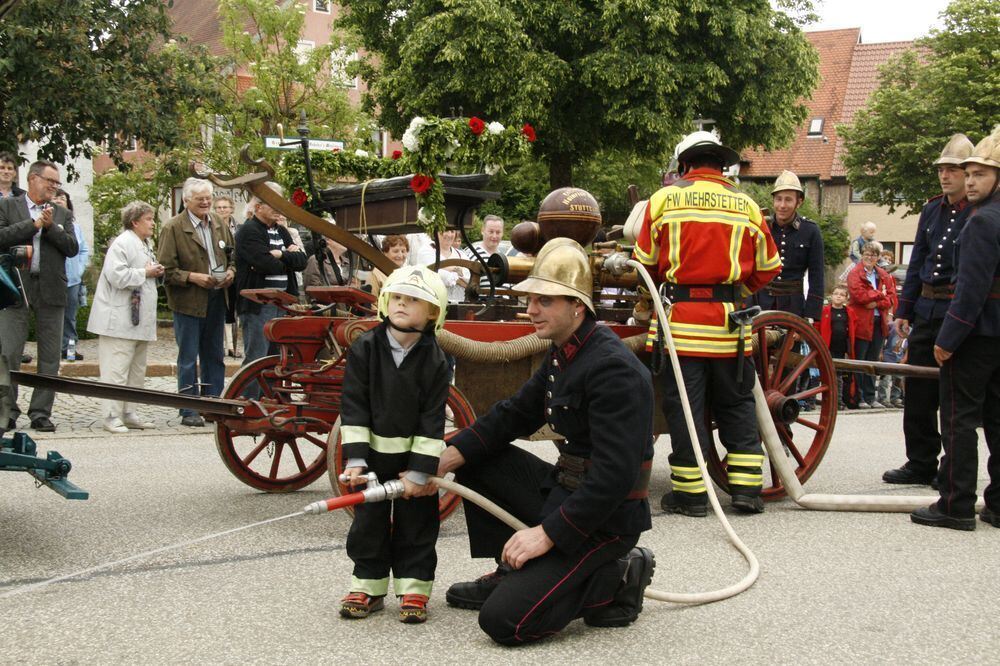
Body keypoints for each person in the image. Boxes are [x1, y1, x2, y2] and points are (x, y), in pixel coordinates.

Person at [440, 235, 656, 643]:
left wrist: (548, 534)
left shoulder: (613, 370)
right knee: (476, 457)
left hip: (603, 523)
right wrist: (445, 456)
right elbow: (514, 414)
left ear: (577, 306)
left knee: (504, 622)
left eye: (544, 301)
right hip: (566, 492)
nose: (530, 310)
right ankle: (511, 569)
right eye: (531, 299)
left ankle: (620, 577)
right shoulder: (566, 350)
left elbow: (613, 476)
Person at [633, 131, 781, 517]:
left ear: (684, 165)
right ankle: (747, 490)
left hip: (681, 326)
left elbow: (643, 262)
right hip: (730, 327)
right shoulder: (746, 205)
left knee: (686, 408)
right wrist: (735, 291)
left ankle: (692, 495)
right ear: (723, 167)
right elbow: (769, 266)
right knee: (736, 405)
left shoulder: (664, 200)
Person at [339, 265, 452, 623]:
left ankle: (414, 588)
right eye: (397, 297)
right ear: (385, 302)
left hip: (411, 464)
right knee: (368, 523)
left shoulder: (436, 358)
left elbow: (432, 418)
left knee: (418, 523)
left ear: (434, 312)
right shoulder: (366, 348)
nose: (402, 305)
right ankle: (367, 585)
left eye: (414, 300)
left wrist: (420, 472)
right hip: (370, 458)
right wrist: (355, 459)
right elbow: (353, 406)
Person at [912, 125, 1000, 531]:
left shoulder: (981, 221)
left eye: (979, 174)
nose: (969, 180)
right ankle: (996, 504)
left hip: (976, 334)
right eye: (968, 173)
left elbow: (970, 291)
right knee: (997, 419)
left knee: (957, 418)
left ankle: (956, 503)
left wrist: (947, 340)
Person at [883, 134, 974, 485]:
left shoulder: (978, 212)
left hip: (956, 309)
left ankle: (951, 470)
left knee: (953, 394)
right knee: (918, 389)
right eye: (942, 169)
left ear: (968, 174)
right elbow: (919, 257)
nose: (945, 175)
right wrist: (905, 310)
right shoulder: (932, 209)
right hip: (927, 307)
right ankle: (920, 461)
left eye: (952, 169)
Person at [0, 161, 79, 432]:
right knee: (9, 353)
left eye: (57, 184)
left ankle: (41, 412)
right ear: (33, 179)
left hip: (51, 289)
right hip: (15, 288)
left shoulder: (62, 214)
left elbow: (71, 247)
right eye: (50, 181)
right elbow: (1, 237)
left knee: (49, 357)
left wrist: (50, 228)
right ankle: (7, 412)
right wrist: (33, 225)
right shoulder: (8, 206)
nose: (53, 187)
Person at [157, 177, 235, 428]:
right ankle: (188, 407)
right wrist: (193, 277)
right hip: (188, 301)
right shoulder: (173, 228)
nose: (205, 202)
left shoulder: (219, 224)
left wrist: (231, 272)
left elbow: (232, 256)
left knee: (215, 354)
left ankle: (213, 404)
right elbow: (166, 270)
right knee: (188, 355)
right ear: (186, 200)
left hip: (216, 297)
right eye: (200, 198)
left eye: (208, 198)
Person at [86, 201, 163, 433]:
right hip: (118, 319)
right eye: (149, 219)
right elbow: (116, 275)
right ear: (135, 221)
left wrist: (156, 271)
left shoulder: (143, 243)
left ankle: (130, 411)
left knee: (136, 370)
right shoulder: (121, 243)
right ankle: (111, 415)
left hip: (139, 321)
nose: (153, 224)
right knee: (116, 370)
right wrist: (146, 272)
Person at [234, 182, 307, 369]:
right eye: (273, 204)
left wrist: (281, 254)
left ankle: (270, 396)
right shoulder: (249, 231)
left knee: (276, 358)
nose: (279, 209)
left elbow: (302, 262)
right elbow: (267, 265)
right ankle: (247, 397)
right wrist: (289, 257)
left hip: (281, 303)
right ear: (258, 207)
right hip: (259, 305)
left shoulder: (281, 230)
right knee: (257, 358)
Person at [756, 170, 825, 321]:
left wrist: (810, 315)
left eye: (788, 200)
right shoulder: (762, 226)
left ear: (799, 202)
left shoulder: (811, 231)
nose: (782, 205)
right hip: (761, 304)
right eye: (778, 199)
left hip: (793, 307)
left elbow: (817, 276)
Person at [846, 242, 895, 409]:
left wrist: (876, 301)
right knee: (860, 359)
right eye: (866, 254)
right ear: (862, 255)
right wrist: (879, 296)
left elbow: (891, 297)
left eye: (873, 255)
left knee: (873, 360)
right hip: (860, 322)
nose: (869, 258)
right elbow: (859, 296)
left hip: (878, 322)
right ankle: (858, 397)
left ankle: (870, 396)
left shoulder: (883, 275)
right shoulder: (855, 273)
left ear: (878, 257)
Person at [54, 189, 89, 362]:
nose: (59, 200)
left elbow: (83, 250)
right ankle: (53, 348)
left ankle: (69, 350)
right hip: (53, 278)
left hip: (73, 279)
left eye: (63, 198)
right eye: (56, 197)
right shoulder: (47, 225)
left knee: (70, 317)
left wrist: (80, 268)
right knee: (53, 315)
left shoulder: (75, 227)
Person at [815, 285, 856, 409]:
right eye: (836, 293)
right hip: (828, 347)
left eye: (842, 294)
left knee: (839, 376)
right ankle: (827, 400)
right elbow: (817, 327)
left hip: (842, 348)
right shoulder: (825, 311)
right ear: (831, 296)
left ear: (846, 298)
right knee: (827, 375)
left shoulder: (849, 312)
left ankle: (838, 401)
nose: (838, 296)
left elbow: (853, 327)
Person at [214, 195, 241, 358]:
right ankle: (224, 346)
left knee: (234, 310)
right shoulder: (212, 227)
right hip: (218, 270)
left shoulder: (239, 227)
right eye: (219, 207)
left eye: (225, 207)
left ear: (231, 208)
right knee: (221, 309)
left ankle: (234, 346)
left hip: (236, 271)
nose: (222, 210)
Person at [416, 229, 469, 303]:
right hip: (433, 304)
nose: (449, 235)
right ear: (435, 232)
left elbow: (469, 279)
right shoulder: (426, 251)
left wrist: (444, 268)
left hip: (459, 305)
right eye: (445, 231)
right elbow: (434, 274)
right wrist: (458, 275)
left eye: (452, 231)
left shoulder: (461, 255)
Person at [468, 214, 505, 295]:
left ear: (503, 233)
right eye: (491, 232)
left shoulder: (504, 258)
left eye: (498, 232)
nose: (494, 236)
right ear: (482, 231)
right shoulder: (473, 255)